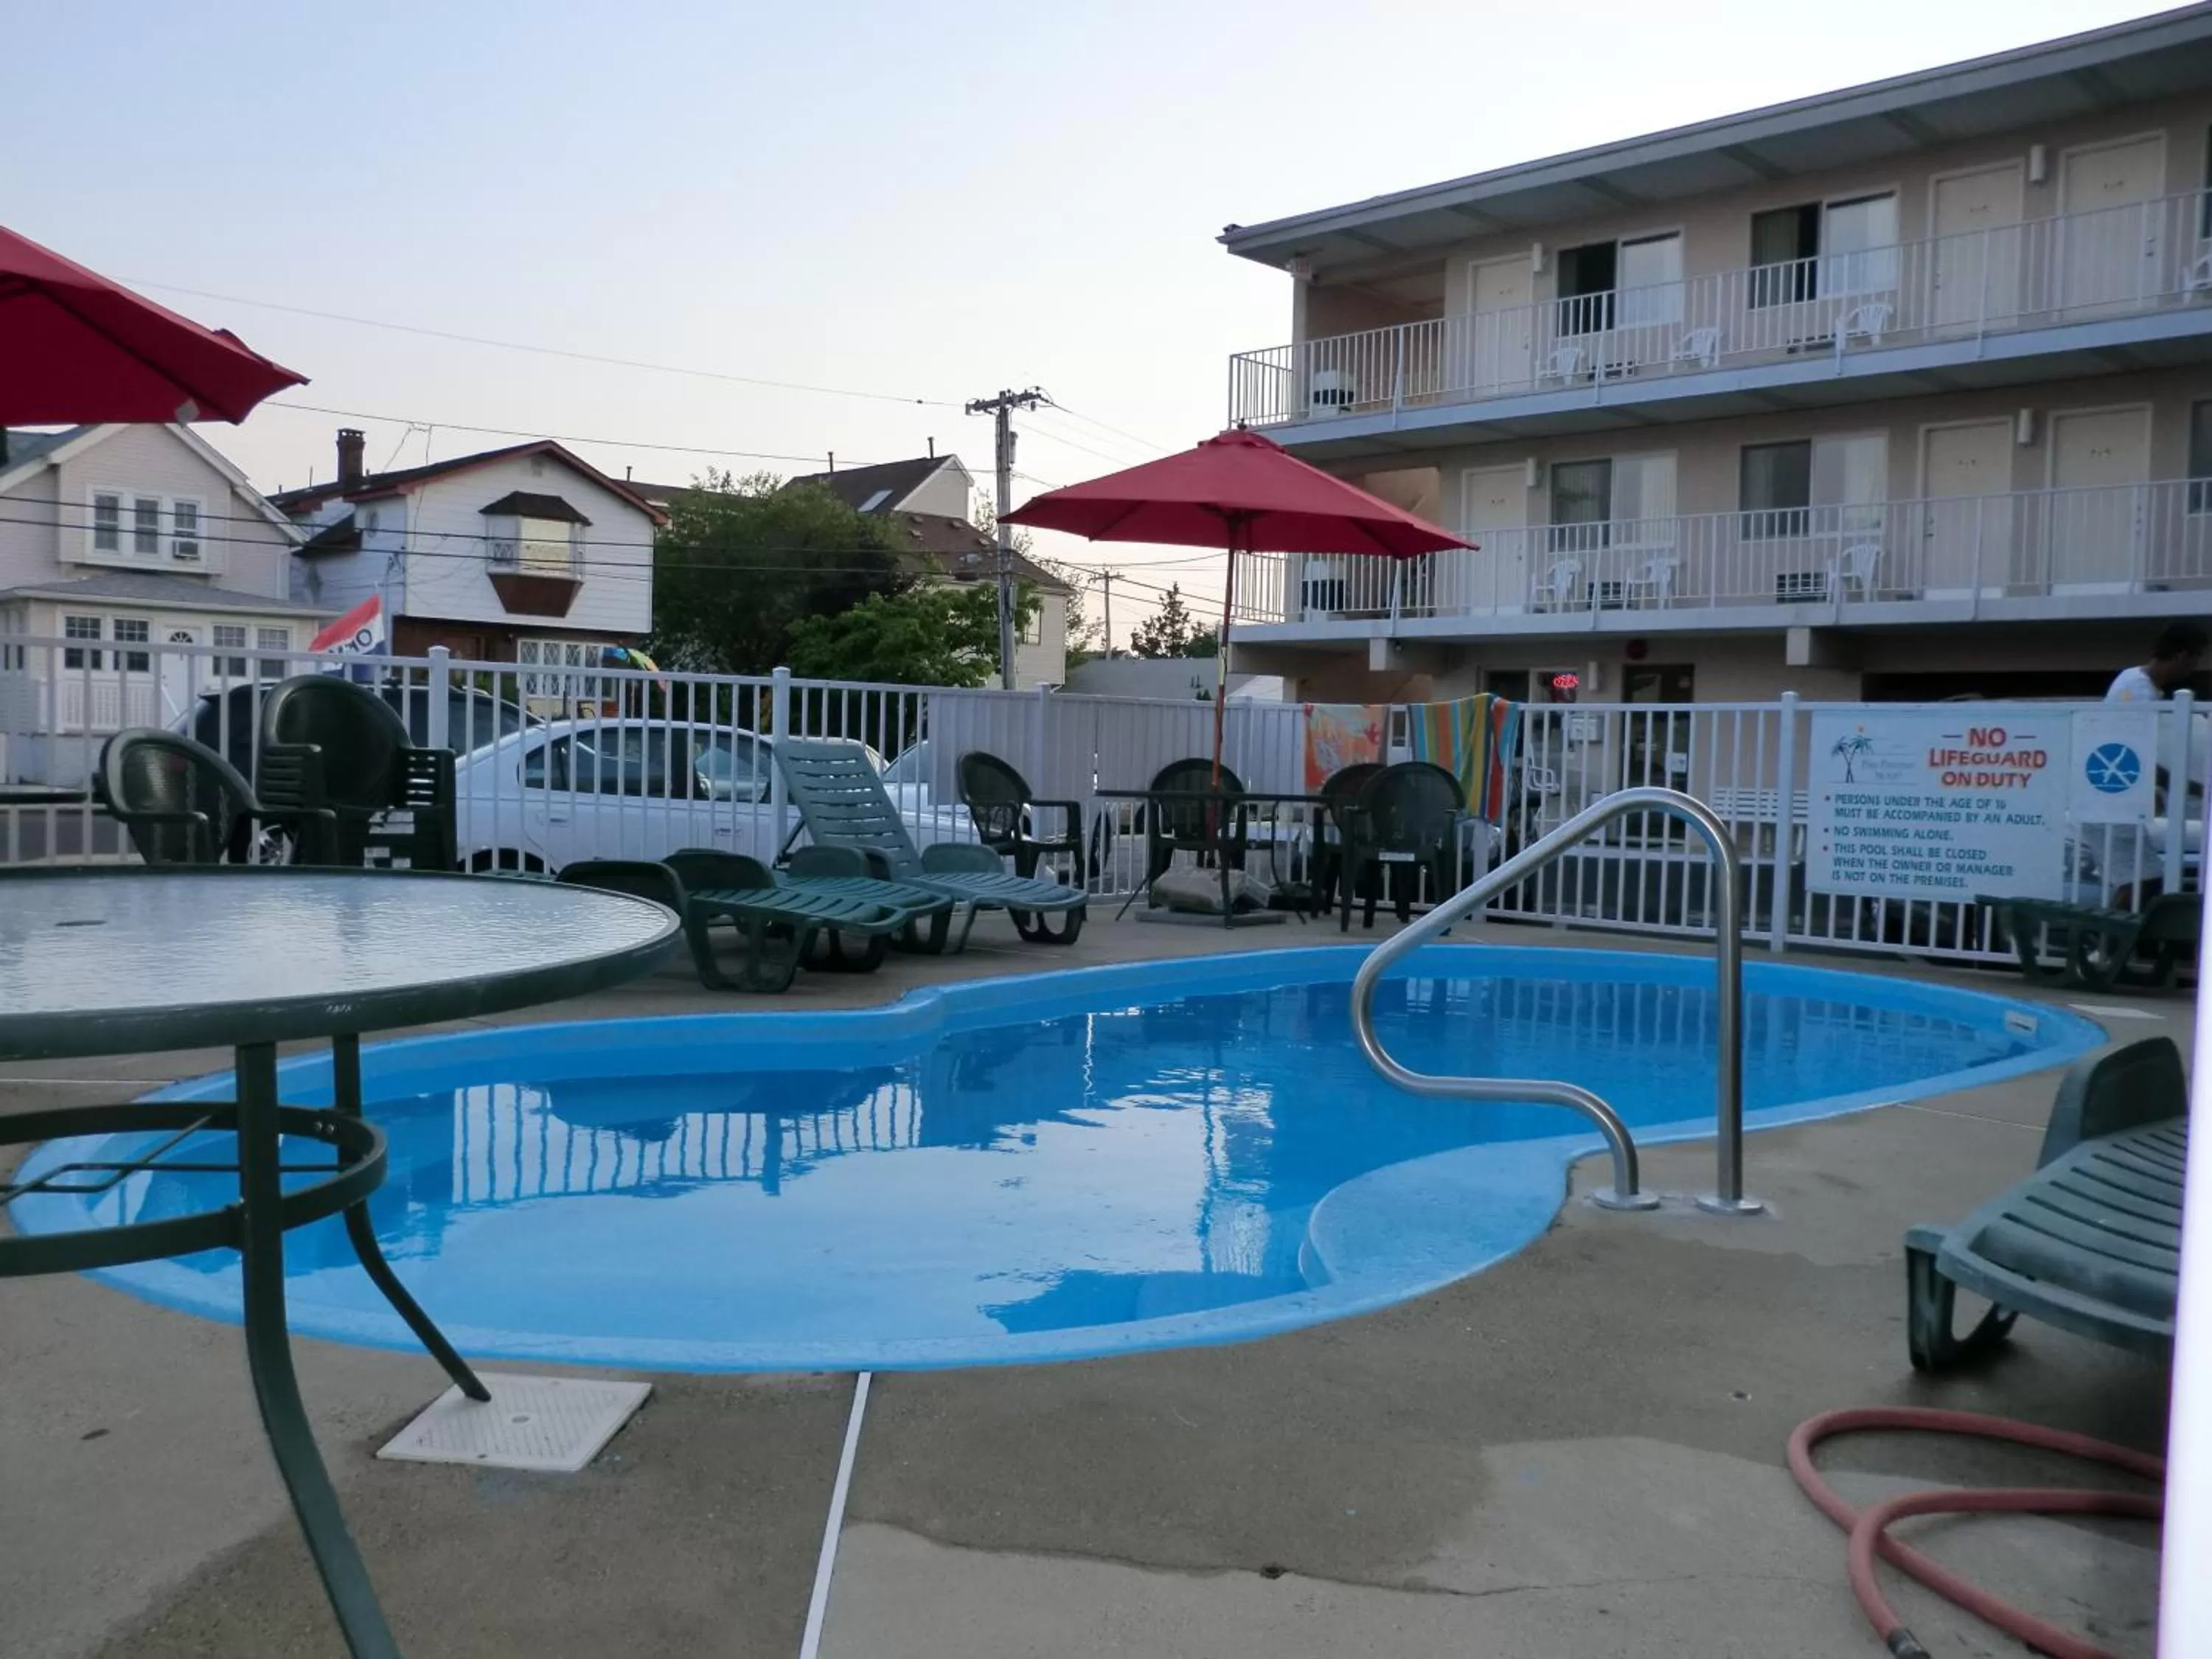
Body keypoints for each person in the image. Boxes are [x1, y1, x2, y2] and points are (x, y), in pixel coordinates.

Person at [2107, 621, 2208, 703]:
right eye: (2196, 658)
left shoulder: (2130, 674)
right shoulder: (2140, 692)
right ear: (2181, 657)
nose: (2195, 666)